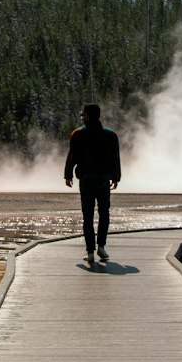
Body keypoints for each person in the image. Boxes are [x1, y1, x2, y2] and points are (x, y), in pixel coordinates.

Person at [64, 103, 121, 266]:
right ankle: (101, 246)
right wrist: (116, 177)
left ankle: (90, 252)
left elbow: (72, 156)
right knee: (104, 214)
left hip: (86, 181)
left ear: (87, 116)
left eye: (84, 116)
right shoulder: (111, 136)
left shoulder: (77, 134)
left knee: (87, 216)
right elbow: (115, 159)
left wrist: (68, 175)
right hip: (103, 181)